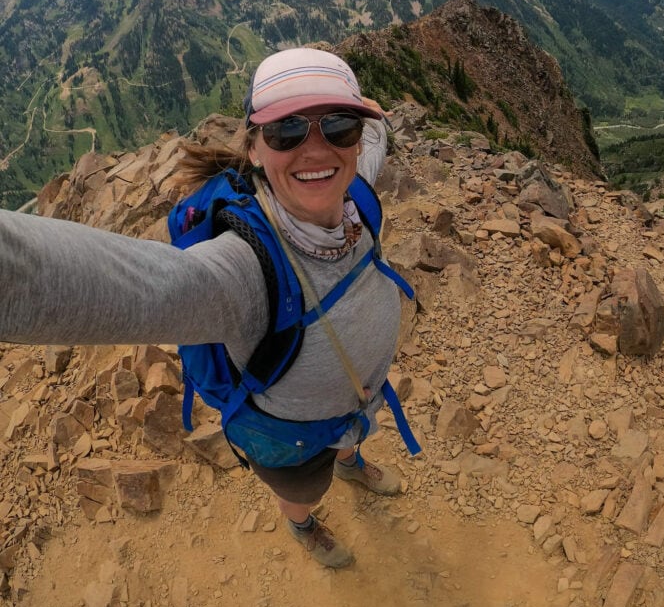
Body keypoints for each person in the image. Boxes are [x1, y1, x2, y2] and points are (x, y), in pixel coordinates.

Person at [0, 47, 410, 569]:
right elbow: (122, 283)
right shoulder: (238, 271)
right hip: (293, 437)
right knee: (304, 487)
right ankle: (302, 521)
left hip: (359, 400)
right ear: (255, 148)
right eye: (286, 130)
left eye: (337, 125)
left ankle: (351, 462)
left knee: (355, 436)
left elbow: (375, 140)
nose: (316, 149)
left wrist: (369, 119)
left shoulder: (357, 189)